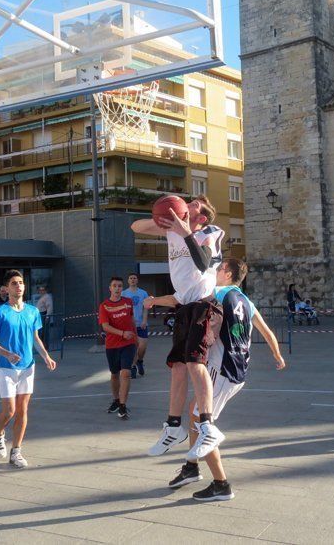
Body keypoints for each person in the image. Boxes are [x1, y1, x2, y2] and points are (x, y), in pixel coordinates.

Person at [151, 258, 286, 501]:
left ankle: (221, 484)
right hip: (236, 369)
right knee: (195, 411)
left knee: (202, 422)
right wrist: (277, 355)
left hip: (223, 370)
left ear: (227, 273)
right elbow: (267, 332)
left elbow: (180, 298)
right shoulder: (246, 301)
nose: (214, 271)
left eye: (219, 268)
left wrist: (152, 301)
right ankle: (191, 467)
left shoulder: (218, 293)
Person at [131, 195, 226, 460]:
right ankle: (173, 427)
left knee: (195, 364)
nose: (187, 204)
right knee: (178, 368)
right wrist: (161, 219)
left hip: (204, 305)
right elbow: (135, 227)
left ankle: (207, 425)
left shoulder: (210, 233)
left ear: (201, 217)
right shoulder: (172, 231)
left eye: (193, 205)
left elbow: (203, 263)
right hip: (184, 307)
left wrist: (186, 233)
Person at [0, 270, 56, 468]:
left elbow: (35, 338)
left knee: (22, 410)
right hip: (6, 368)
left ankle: (16, 451)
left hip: (27, 367)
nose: (19, 286)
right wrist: (6, 353)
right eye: (14, 283)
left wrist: (46, 356)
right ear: (6, 288)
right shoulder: (0, 312)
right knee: (9, 411)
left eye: (21, 282)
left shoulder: (32, 311)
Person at [99, 277, 136, 420]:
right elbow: (105, 326)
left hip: (128, 344)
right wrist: (122, 333)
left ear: (122, 288)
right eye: (114, 286)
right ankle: (116, 400)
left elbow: (132, 320)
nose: (117, 288)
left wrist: (136, 338)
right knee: (115, 374)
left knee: (125, 373)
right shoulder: (104, 306)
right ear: (110, 288)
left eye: (120, 286)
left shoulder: (128, 302)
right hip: (112, 345)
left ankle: (123, 405)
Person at [121, 273, 149, 378]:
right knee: (133, 347)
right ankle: (133, 367)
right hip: (129, 325)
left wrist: (144, 321)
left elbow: (146, 308)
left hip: (141, 324)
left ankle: (139, 361)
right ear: (128, 281)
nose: (133, 280)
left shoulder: (143, 293)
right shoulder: (124, 293)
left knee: (142, 346)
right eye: (131, 278)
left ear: (137, 280)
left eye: (134, 278)